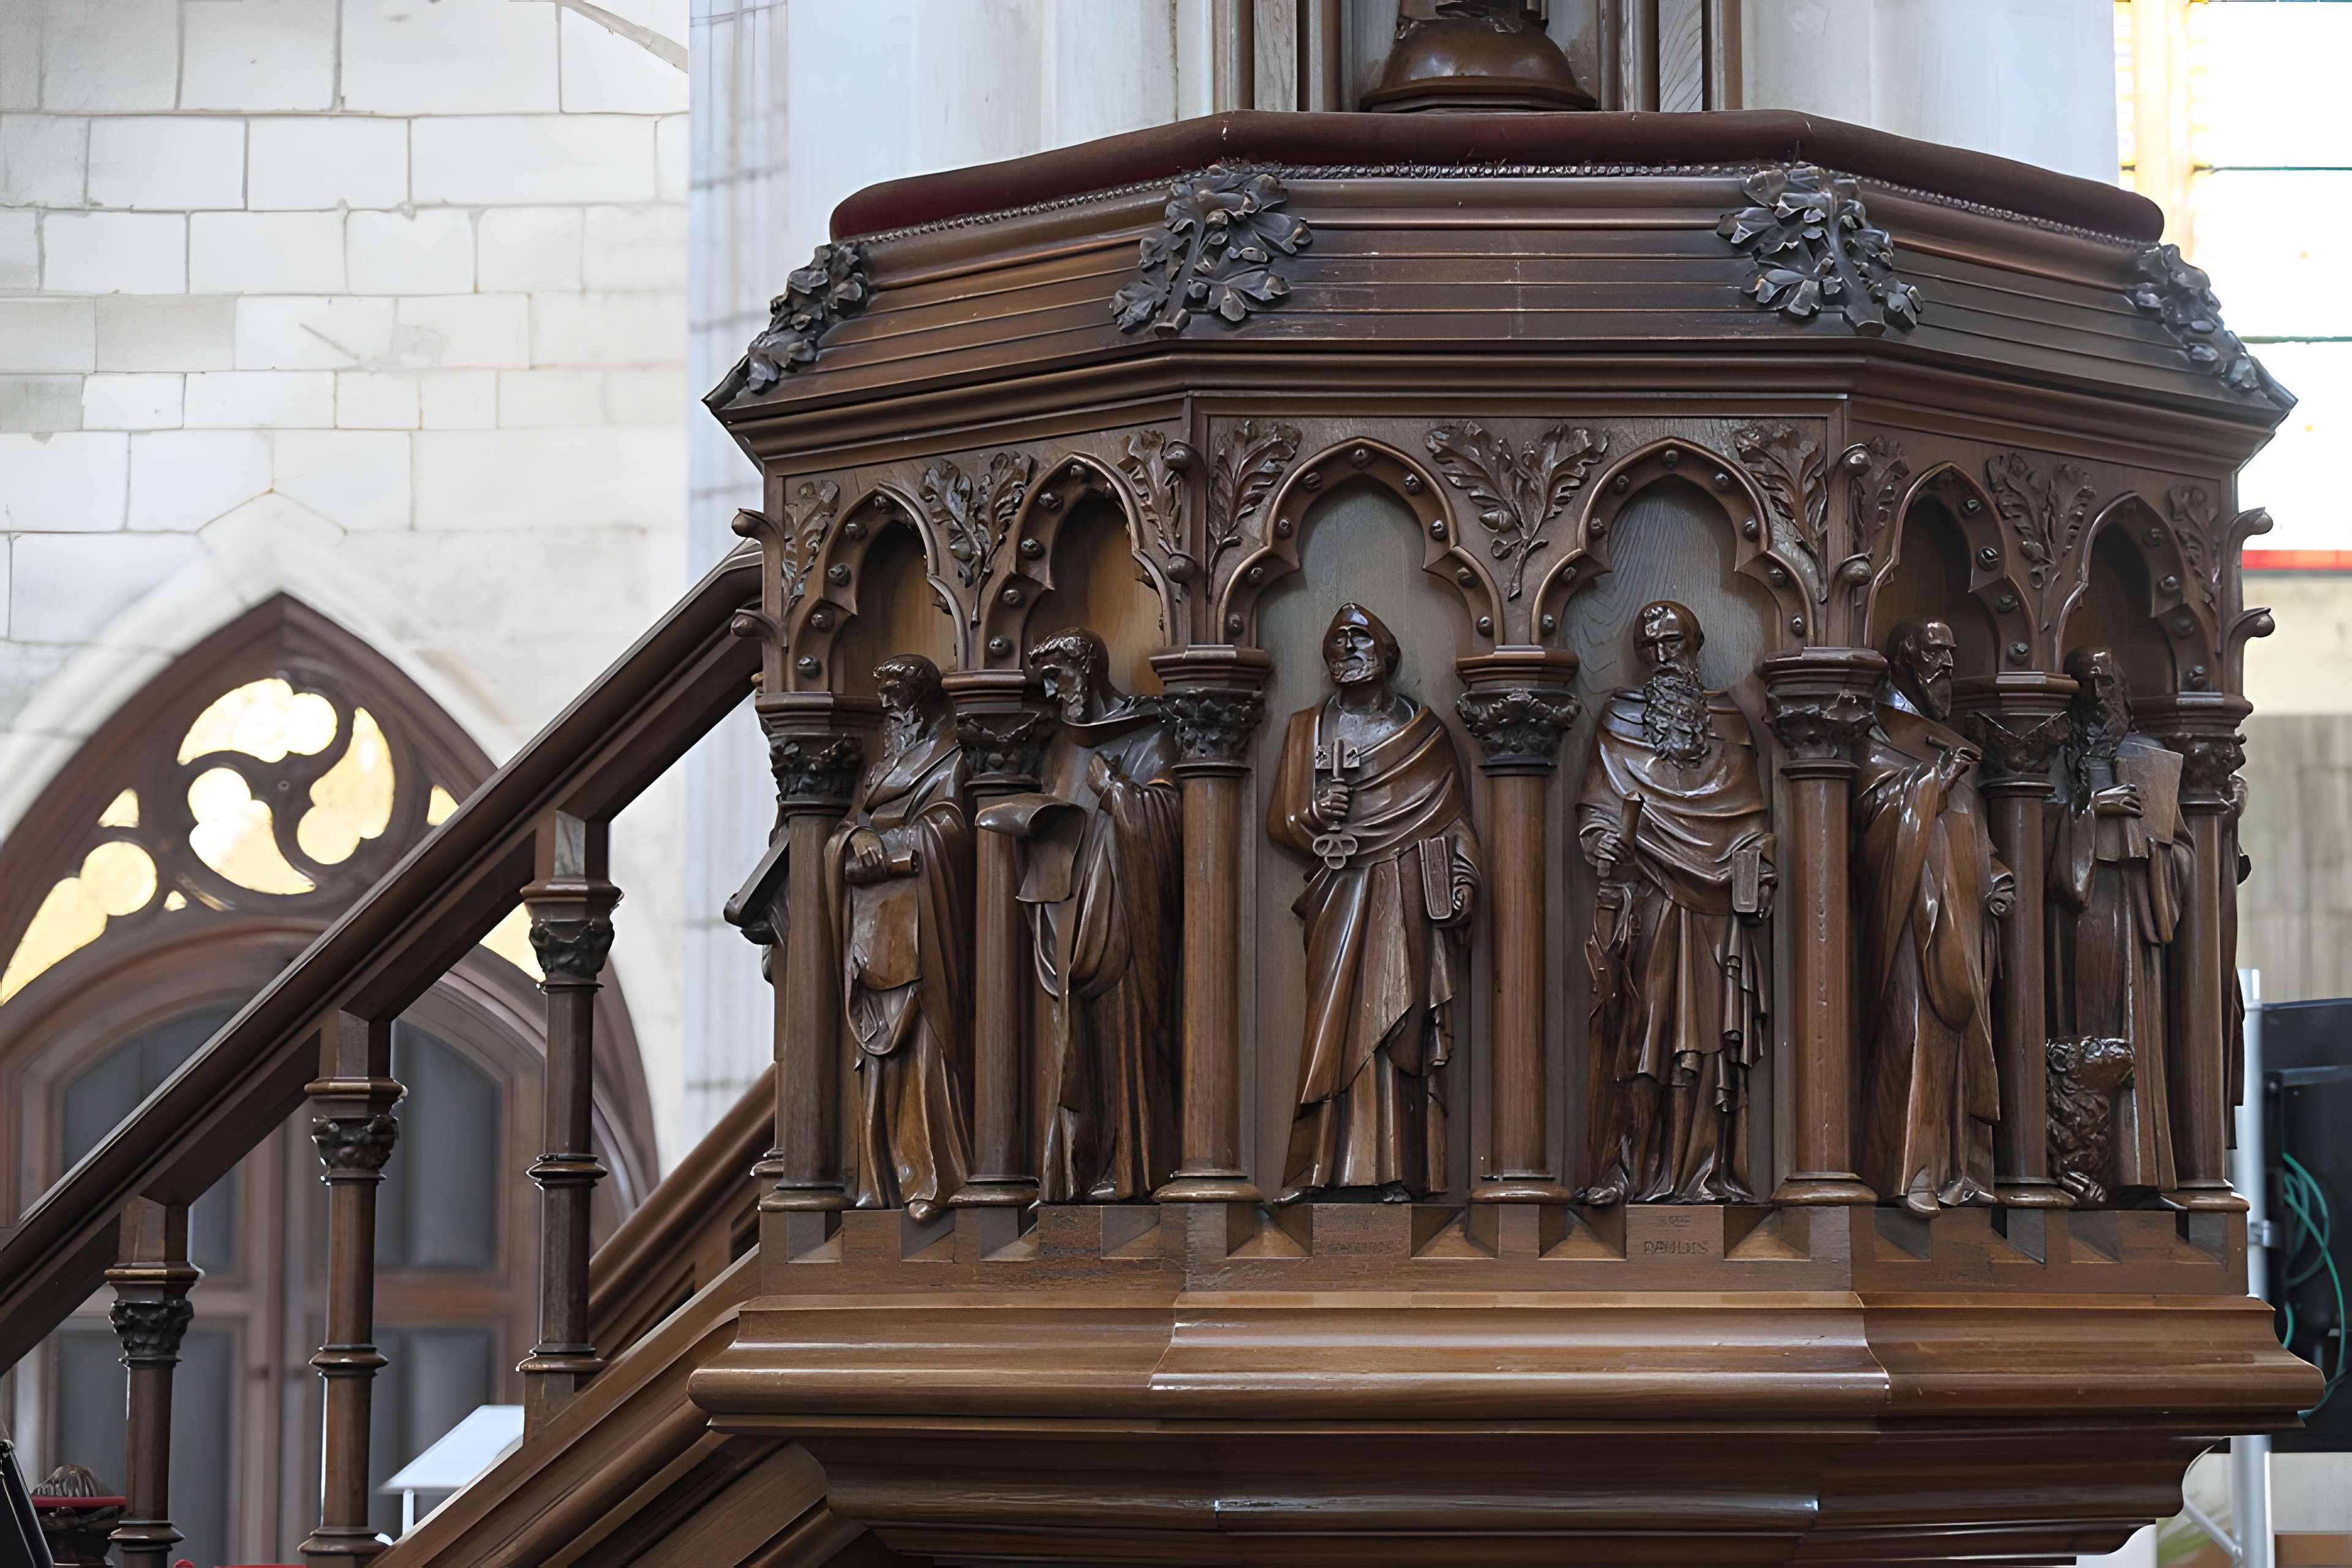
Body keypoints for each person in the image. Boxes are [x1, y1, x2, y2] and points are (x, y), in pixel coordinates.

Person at [1267, 603, 1482, 1202]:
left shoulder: (1423, 731)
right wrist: (1314, 814)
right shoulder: (1307, 728)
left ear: (1387, 653)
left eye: (1360, 639)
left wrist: (1463, 879)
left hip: (1406, 893)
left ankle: (1398, 1170)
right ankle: (1322, 1167)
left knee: (1398, 1027)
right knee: (1334, 1027)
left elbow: (1455, 822)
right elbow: (1281, 821)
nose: (1346, 650)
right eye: (1336, 642)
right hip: (1339, 893)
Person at [1577, 601, 1774, 1205]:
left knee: (1703, 1048)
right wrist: (1603, 839)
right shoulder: (1619, 717)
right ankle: (1628, 1172)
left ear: (1696, 644)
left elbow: (1751, 823)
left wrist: (1758, 869)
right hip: (1647, 906)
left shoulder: (1729, 720)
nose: (1663, 656)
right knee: (1641, 1041)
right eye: (1651, 645)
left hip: (1713, 912)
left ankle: (1705, 1173)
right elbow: (1594, 812)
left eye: (1674, 643)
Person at [977, 628, 1183, 1203]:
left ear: (1087, 668)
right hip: (1067, 912)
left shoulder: (1150, 735)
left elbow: (1167, 817)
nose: (1050, 691)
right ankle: (1076, 1168)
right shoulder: (1063, 745)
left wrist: (1117, 791)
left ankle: (1130, 1167)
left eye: (1057, 677)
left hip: (1125, 921)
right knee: (1075, 1045)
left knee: (1124, 1043)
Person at [1852, 619, 2013, 1215]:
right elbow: (1870, 824)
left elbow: (1975, 833)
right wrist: (1926, 786)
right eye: (1933, 657)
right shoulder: (1878, 738)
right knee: (1912, 1036)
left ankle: (1961, 1169)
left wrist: (1997, 876)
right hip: (1908, 927)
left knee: (1962, 1046)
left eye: (1952, 657)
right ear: (1903, 662)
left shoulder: (1955, 745)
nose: (1946, 668)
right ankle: (1909, 1170)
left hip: (1965, 925)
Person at [826, 654, 974, 1221]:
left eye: (897, 704)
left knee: (925, 1052)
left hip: (924, 926)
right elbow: (847, 828)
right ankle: (880, 1176)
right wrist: (850, 842)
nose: (890, 716)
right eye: (885, 706)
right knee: (876, 1060)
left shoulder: (951, 759)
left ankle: (931, 1177)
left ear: (921, 703)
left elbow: (953, 831)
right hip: (874, 931)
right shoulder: (881, 767)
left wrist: (886, 849)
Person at [2046, 645, 2191, 1201]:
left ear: (2125, 690)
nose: (2097, 696)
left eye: (2107, 683)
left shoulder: (2149, 756)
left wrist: (2156, 857)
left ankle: (2137, 1171)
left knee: (2134, 1029)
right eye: (2085, 683)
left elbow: (2182, 852)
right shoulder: (2057, 759)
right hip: (2078, 912)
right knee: (2082, 1031)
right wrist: (2090, 813)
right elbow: (2031, 837)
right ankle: (2075, 1167)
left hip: (2133, 911)